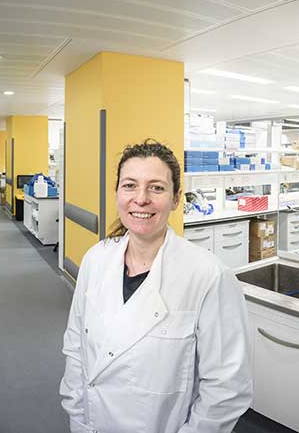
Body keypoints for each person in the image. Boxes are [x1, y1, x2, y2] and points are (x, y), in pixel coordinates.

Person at [59, 140, 252, 433]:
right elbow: (75, 346)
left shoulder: (209, 276)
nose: (141, 199)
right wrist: (76, 413)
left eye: (156, 188)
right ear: (116, 193)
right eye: (129, 186)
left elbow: (227, 388)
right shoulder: (96, 259)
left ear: (176, 199)